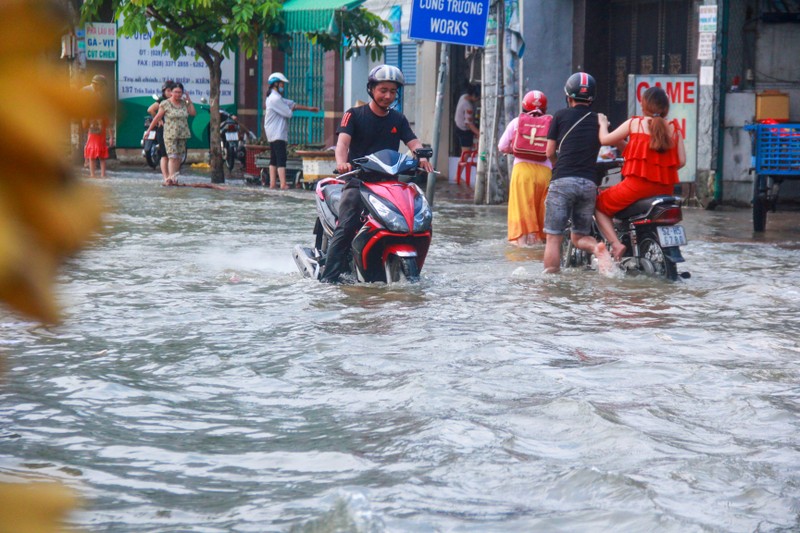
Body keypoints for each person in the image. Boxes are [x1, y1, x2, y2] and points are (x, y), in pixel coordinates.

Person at [320, 65, 434, 284]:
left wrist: (421, 156)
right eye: (383, 90)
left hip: (389, 185)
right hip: (358, 183)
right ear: (371, 89)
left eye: (393, 91)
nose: (388, 96)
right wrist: (342, 163)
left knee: (416, 220)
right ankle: (329, 280)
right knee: (346, 226)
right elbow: (342, 143)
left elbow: (414, 142)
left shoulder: (398, 120)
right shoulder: (353, 115)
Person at [595, 86, 686, 260]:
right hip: (665, 190)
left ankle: (616, 244)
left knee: (599, 205)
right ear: (666, 107)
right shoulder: (674, 129)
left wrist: (602, 124)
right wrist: (660, 170)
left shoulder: (635, 123)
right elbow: (681, 161)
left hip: (637, 188)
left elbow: (604, 139)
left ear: (643, 105)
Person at [543, 72, 613, 274]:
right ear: (592, 98)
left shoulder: (559, 116)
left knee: (553, 237)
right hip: (588, 184)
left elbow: (549, 152)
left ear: (568, 96)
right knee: (579, 237)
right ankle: (596, 247)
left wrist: (558, 167)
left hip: (562, 181)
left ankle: (551, 282)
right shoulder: (599, 120)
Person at [498, 90, 552, 246]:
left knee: (522, 209)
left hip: (522, 172)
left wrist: (512, 151)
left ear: (524, 106)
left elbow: (502, 146)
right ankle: (541, 244)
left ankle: (522, 245)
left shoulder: (516, 122)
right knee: (542, 210)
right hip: (545, 173)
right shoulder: (551, 122)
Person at [263, 72, 318, 189]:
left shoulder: (275, 98)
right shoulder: (275, 99)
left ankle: (273, 184)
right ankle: (283, 183)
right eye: (281, 84)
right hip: (277, 133)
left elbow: (292, 104)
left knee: (274, 158)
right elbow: (288, 113)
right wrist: (292, 108)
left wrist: (309, 109)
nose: (283, 86)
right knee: (281, 158)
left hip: (273, 132)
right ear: (276, 84)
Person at [143, 82, 196, 185]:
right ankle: (170, 179)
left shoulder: (184, 103)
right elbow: (157, 117)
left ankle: (175, 177)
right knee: (171, 156)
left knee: (179, 157)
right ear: (171, 92)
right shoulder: (165, 103)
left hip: (182, 133)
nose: (178, 94)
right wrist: (149, 130)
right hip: (169, 134)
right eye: (175, 92)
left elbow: (193, 113)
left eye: (180, 92)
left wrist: (189, 99)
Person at [147, 80, 176, 183]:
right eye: (168, 90)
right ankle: (165, 177)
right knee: (164, 155)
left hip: (175, 131)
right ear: (164, 91)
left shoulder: (177, 100)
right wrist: (159, 120)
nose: (170, 93)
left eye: (171, 90)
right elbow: (150, 109)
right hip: (162, 130)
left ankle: (172, 177)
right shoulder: (161, 101)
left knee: (173, 156)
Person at [454, 84, 480, 156]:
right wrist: (479, 134)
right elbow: (469, 124)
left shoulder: (463, 97)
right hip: (463, 130)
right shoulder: (468, 106)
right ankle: (462, 166)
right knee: (465, 153)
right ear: (474, 95)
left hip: (458, 125)